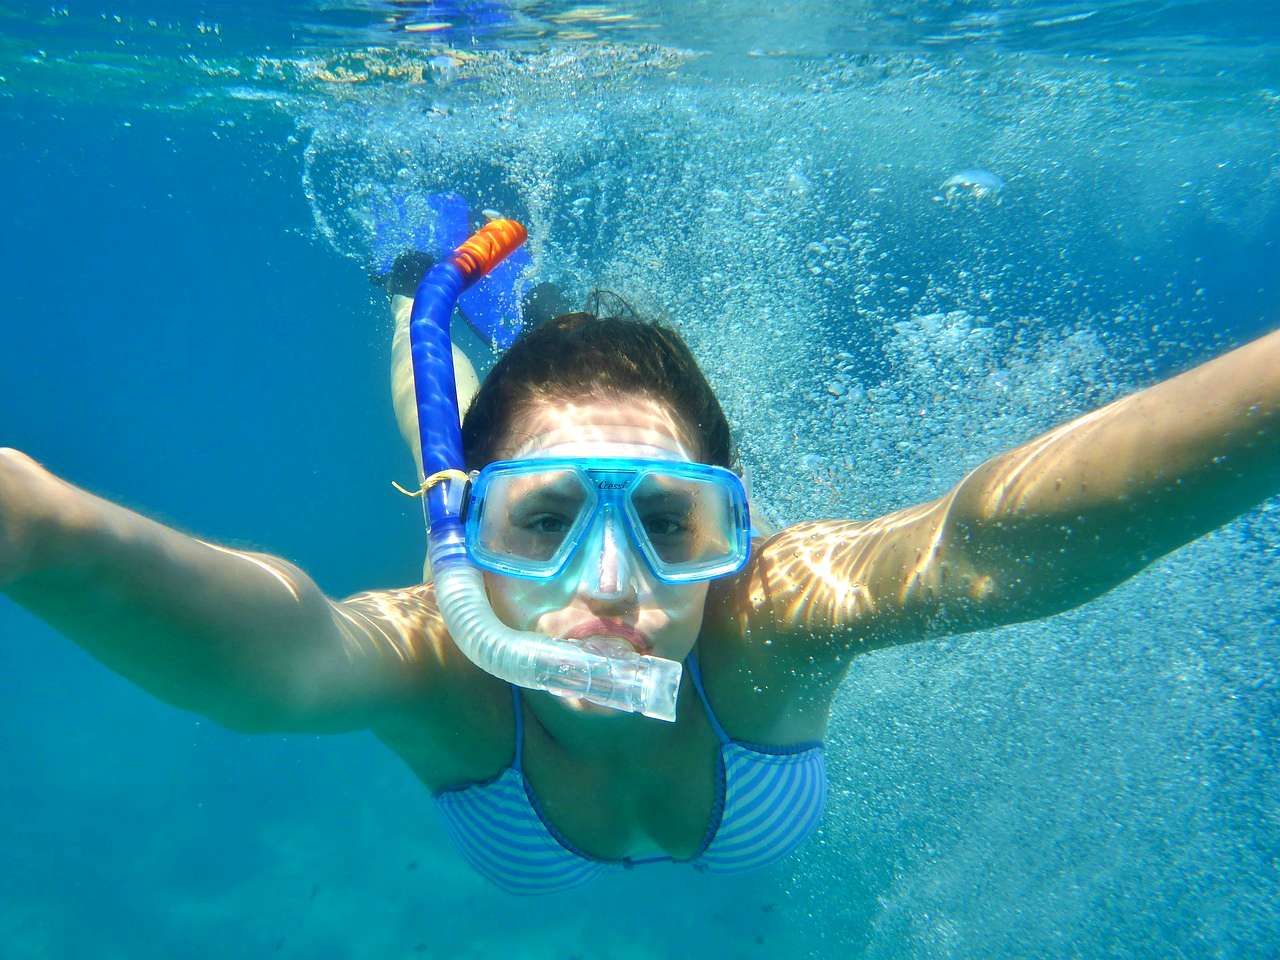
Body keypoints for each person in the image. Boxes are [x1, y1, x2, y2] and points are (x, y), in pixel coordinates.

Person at [1, 216, 1277, 894]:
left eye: (669, 526)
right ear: (465, 540)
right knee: (435, 409)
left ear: (728, 532)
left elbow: (981, 545)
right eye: (542, 524)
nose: (608, 588)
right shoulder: (438, 660)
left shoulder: (764, 620)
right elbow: (274, 651)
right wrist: (33, 529)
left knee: (508, 431)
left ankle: (494, 344)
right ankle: (420, 289)